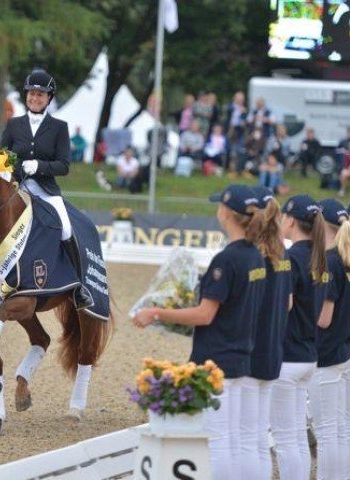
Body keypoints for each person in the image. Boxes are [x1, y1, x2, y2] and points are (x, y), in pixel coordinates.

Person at [133, 184, 266, 479]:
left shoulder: (227, 260)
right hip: (242, 355)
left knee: (217, 442)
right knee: (234, 440)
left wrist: (156, 312)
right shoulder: (255, 256)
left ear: (226, 213)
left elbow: (205, 314)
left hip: (217, 359)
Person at [0, 69, 93, 314]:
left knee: (67, 227)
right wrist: (8, 167)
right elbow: (4, 157)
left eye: (40, 94)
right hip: (18, 187)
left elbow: (64, 165)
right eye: (32, 94)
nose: (35, 98)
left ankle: (79, 287)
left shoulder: (59, 127)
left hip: (46, 190)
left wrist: (40, 166)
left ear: (49, 98)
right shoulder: (14, 125)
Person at [271, 195, 328, 480]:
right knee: (296, 437)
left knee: (285, 438)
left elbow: (285, 305)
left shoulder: (291, 258)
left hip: (289, 355)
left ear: (291, 220)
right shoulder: (320, 257)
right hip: (307, 354)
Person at [243, 186, 292, 480]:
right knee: (260, 435)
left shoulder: (253, 256)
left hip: (250, 350)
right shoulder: (282, 254)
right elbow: (286, 303)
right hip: (273, 348)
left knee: (245, 436)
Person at [307, 198, 350, 480]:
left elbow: (323, 318)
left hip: (326, 354)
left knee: (327, 430)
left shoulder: (330, 263)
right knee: (342, 428)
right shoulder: (344, 259)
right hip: (344, 351)